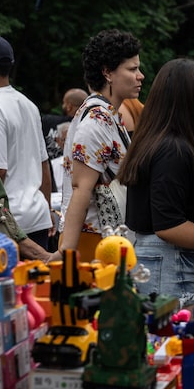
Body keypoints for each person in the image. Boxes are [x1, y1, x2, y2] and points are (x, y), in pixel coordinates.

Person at [117, 58, 194, 321]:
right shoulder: (173, 150)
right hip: (174, 268)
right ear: (190, 99)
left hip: (169, 266)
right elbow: (169, 225)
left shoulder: (161, 143)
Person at [53, 29, 143, 262]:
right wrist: (67, 253)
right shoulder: (96, 119)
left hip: (103, 240)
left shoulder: (107, 115)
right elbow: (81, 189)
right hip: (92, 243)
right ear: (107, 73)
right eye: (132, 69)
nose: (140, 76)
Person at [0, 35, 53, 250]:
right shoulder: (28, 104)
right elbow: (43, 163)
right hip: (36, 214)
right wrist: (46, 209)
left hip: (8, 224)